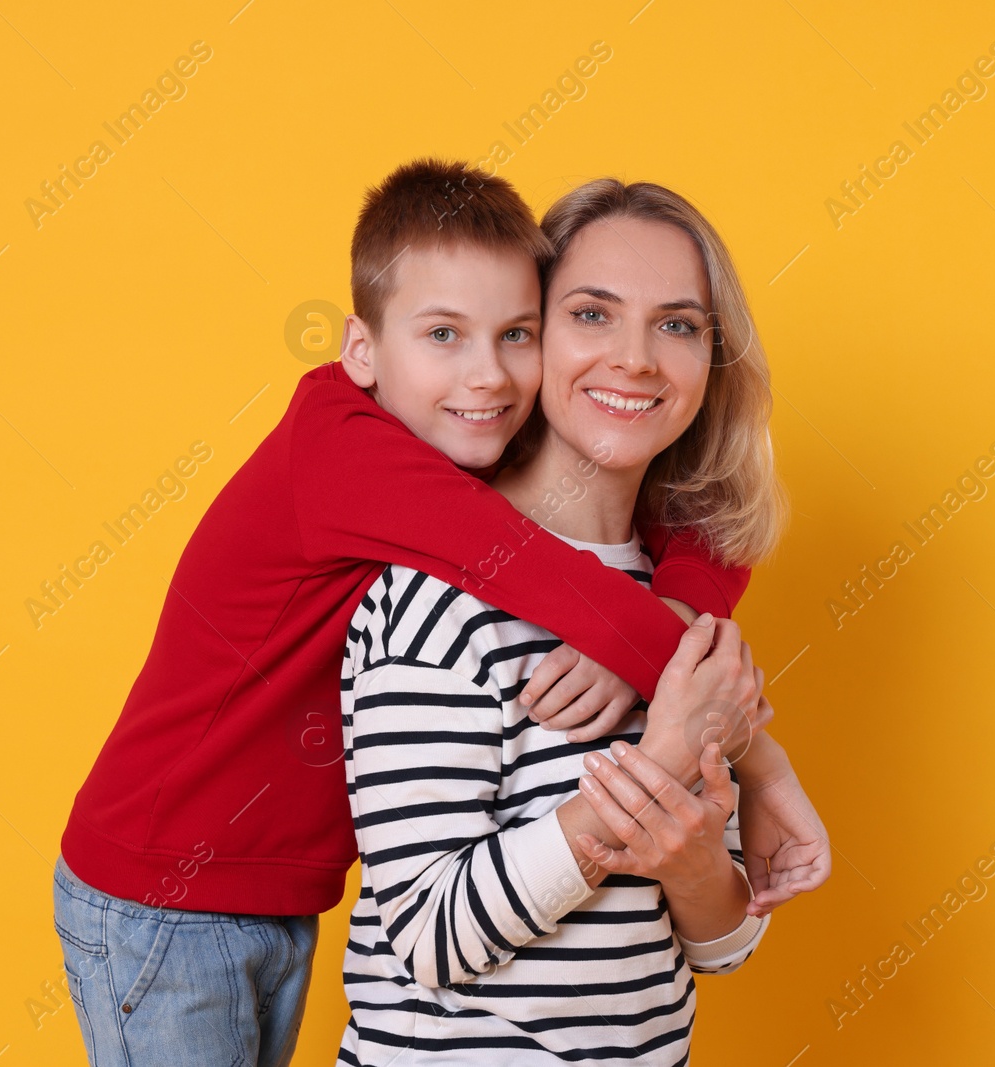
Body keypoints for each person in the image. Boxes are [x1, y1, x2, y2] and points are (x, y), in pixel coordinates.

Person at [51, 160, 779, 1066]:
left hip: (275, 881)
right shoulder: (358, 460)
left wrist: (671, 640)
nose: (486, 376)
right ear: (362, 350)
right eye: (444, 333)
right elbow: (551, 578)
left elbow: (713, 519)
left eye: (512, 334)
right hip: (159, 883)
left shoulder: (467, 450)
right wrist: (719, 722)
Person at [337, 178, 824, 1066]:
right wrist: (665, 762)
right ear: (528, 335)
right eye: (592, 314)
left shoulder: (683, 611)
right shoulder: (438, 593)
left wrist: (693, 866)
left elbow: (718, 947)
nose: (636, 358)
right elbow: (434, 940)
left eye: (678, 324)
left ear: (711, 362)